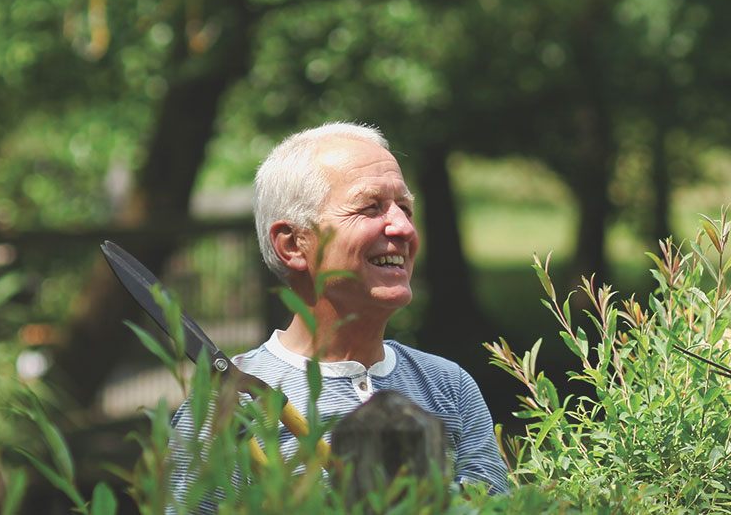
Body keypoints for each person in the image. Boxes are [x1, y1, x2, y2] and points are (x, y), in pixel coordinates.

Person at [166, 123, 510, 513]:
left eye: (406, 207)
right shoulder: (221, 408)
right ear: (293, 244)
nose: (404, 227)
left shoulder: (449, 387)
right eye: (370, 207)